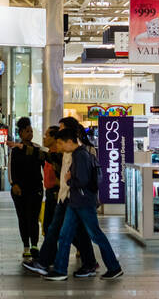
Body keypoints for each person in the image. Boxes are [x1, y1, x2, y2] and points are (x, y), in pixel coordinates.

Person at [43, 130, 123, 281]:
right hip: (76, 202)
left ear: (69, 142)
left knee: (96, 235)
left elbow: (82, 181)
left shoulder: (80, 155)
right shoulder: (80, 154)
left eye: (61, 143)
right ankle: (60, 270)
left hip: (83, 202)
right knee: (65, 235)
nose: (59, 146)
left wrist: (68, 179)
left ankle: (114, 267)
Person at [24, 128, 98, 276]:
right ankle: (53, 264)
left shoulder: (77, 154)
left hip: (70, 199)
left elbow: (80, 179)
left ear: (69, 141)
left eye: (48, 136)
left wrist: (66, 182)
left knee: (70, 232)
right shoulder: (62, 154)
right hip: (62, 198)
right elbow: (44, 155)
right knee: (60, 231)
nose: (45, 138)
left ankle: (54, 265)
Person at [9, 118, 43, 258]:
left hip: (35, 188)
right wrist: (13, 185)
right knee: (22, 217)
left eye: (31, 131)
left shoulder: (37, 148)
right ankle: (26, 246)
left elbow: (46, 157)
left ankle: (35, 244)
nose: (30, 134)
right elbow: (11, 169)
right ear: (21, 133)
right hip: (20, 189)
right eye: (27, 131)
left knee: (33, 217)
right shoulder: (15, 150)